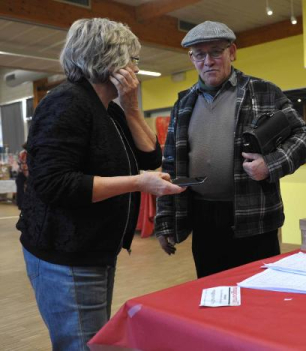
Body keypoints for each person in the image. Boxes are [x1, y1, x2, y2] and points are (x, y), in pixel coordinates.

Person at [17, 18, 184, 350]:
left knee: (91, 339)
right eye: (133, 59)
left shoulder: (110, 109)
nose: (136, 67)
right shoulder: (66, 102)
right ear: (111, 60)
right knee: (82, 343)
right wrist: (138, 183)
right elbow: (55, 184)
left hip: (95, 250)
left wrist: (133, 107)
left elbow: (150, 158)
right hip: (66, 254)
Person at [154, 21, 306, 278]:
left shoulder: (264, 92)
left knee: (259, 298)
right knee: (212, 293)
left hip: (254, 217)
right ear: (191, 58)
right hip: (203, 219)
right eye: (200, 54)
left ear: (232, 52)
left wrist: (270, 164)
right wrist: (165, 221)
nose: (208, 61)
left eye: (216, 51)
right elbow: (171, 165)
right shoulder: (183, 103)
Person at [15, 144, 28, 209]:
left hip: (28, 172)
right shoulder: (22, 153)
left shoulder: (30, 153)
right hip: (23, 172)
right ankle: (20, 203)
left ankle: (23, 203)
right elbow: (19, 162)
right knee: (19, 186)